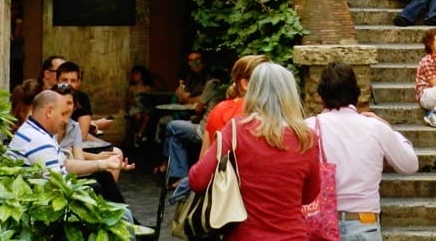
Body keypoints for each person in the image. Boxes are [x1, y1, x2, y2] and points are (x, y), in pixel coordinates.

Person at [188, 62, 320, 239]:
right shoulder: (307, 137)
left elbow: (197, 180)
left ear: (253, 91)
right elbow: (309, 196)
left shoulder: (236, 129)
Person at [307, 61, 418, 239]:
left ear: (321, 95)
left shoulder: (310, 127)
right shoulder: (375, 128)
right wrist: (388, 127)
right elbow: (410, 164)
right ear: (357, 93)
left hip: (320, 223)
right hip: (364, 222)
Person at [164, 54, 267, 195]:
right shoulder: (273, 116)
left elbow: (202, 171)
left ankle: (174, 172)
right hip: (254, 195)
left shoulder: (222, 107)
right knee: (174, 131)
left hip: (224, 193)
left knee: (172, 127)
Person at [7, 89, 126, 181]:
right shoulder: (39, 139)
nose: (65, 120)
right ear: (49, 111)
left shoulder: (35, 130)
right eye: (62, 114)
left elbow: (64, 164)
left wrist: (102, 164)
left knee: (104, 180)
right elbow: (58, 184)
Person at [53, 83, 134, 203]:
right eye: (62, 103)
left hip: (72, 171)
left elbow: (79, 159)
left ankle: (123, 216)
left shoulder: (74, 127)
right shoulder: (50, 126)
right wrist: (100, 162)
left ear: (75, 106)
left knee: (105, 176)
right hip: (57, 174)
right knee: (97, 186)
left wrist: (105, 164)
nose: (66, 107)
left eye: (69, 103)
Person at [57, 60, 113, 138]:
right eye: (64, 80)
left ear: (78, 82)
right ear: (57, 81)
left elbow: (82, 135)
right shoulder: (50, 96)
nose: (68, 84)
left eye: (73, 81)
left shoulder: (82, 98)